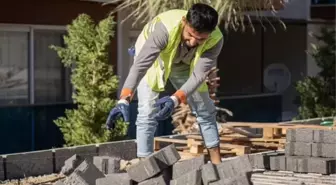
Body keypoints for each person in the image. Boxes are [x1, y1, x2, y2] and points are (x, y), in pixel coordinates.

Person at [106, 3, 224, 164]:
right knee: (147, 110)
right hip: (156, 59)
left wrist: (175, 99)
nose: (193, 42)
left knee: (205, 109)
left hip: (186, 65)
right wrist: (124, 98)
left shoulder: (216, 39)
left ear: (209, 34)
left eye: (201, 39)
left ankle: (217, 164)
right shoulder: (164, 29)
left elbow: (198, 76)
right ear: (184, 22)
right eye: (190, 35)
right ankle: (144, 165)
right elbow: (140, 66)